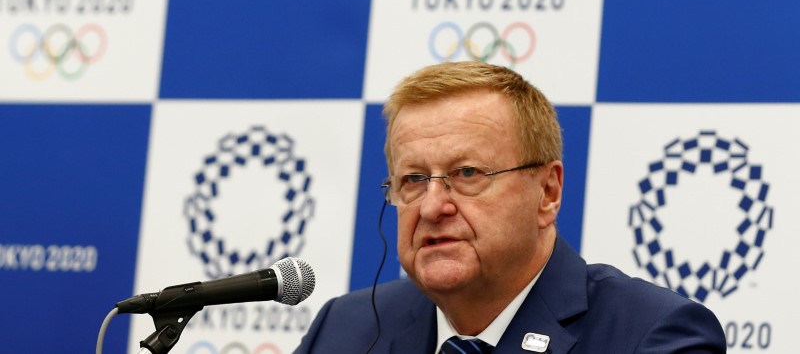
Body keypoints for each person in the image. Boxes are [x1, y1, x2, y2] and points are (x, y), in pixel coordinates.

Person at [294, 61, 726, 353]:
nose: (432, 206)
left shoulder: (652, 336)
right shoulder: (344, 330)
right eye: (414, 180)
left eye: (467, 174)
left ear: (548, 193)